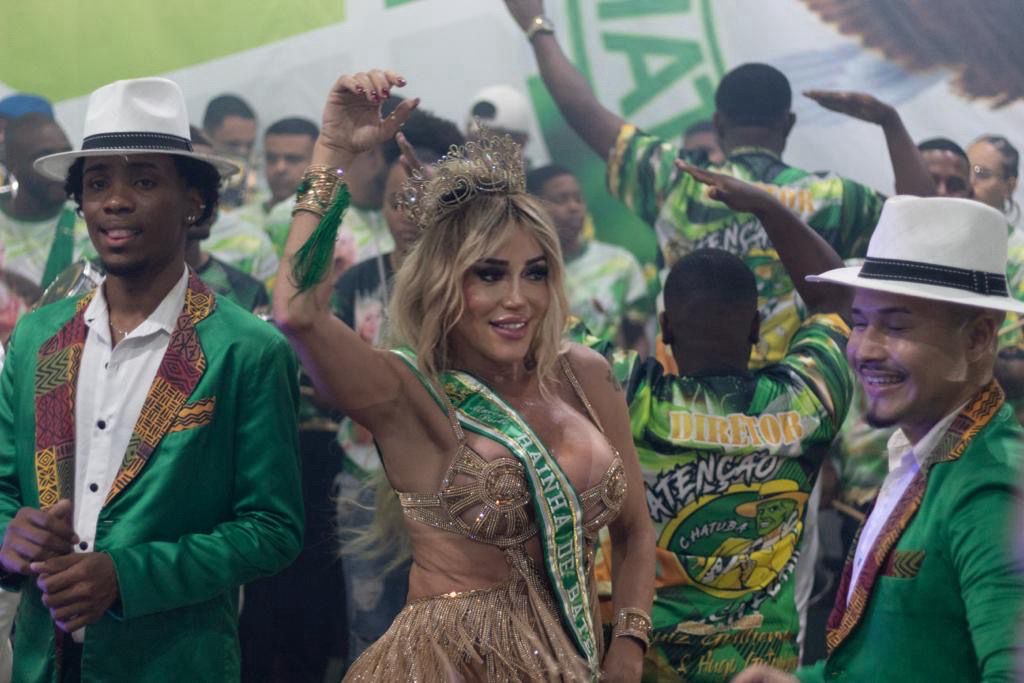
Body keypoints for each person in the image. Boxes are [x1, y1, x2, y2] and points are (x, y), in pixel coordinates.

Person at [273, 69, 655, 681]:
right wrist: (333, 154)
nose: (518, 299)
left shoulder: (585, 374)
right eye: (489, 274)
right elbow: (298, 314)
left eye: (535, 273)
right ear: (442, 281)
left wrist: (629, 646)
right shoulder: (407, 393)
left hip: (572, 664)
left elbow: (635, 530)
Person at [0, 77, 304, 681]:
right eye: (97, 184)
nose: (115, 201)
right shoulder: (38, 336)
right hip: (42, 661)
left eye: (142, 181)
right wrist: (9, 534)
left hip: (173, 662)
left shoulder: (245, 348)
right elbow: (5, 484)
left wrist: (128, 576)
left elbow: (273, 529)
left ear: (193, 201)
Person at [503, 0, 934, 371]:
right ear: (787, 124)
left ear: (718, 123)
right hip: (793, 404)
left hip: (684, 406)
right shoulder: (831, 198)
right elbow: (922, 227)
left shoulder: (678, 180)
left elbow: (582, 111)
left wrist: (537, 27)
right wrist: (890, 123)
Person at [733, 196, 1024, 683]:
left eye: (897, 326)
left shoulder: (993, 489)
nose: (865, 349)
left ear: (977, 339)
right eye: (861, 322)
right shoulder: (928, 455)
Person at [594, 163, 853, 680]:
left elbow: (538, 330)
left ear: (665, 329)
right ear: (757, 327)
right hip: (765, 671)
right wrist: (769, 208)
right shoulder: (809, 400)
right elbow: (840, 298)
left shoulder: (625, 395)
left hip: (646, 665)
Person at [526, 163, 652, 353]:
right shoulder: (527, 276)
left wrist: (633, 372)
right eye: (561, 199)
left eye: (578, 198)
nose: (574, 207)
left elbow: (637, 338)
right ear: (532, 209)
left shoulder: (619, 263)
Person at [0, 112, 88, 293]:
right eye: (44, 158)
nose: (61, 168)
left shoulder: (92, 225)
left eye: (66, 154)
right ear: (11, 163)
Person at [251, 117, 320, 255]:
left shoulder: (339, 226)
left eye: (293, 159)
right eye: (271, 158)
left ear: (317, 162)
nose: (280, 168)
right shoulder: (238, 222)